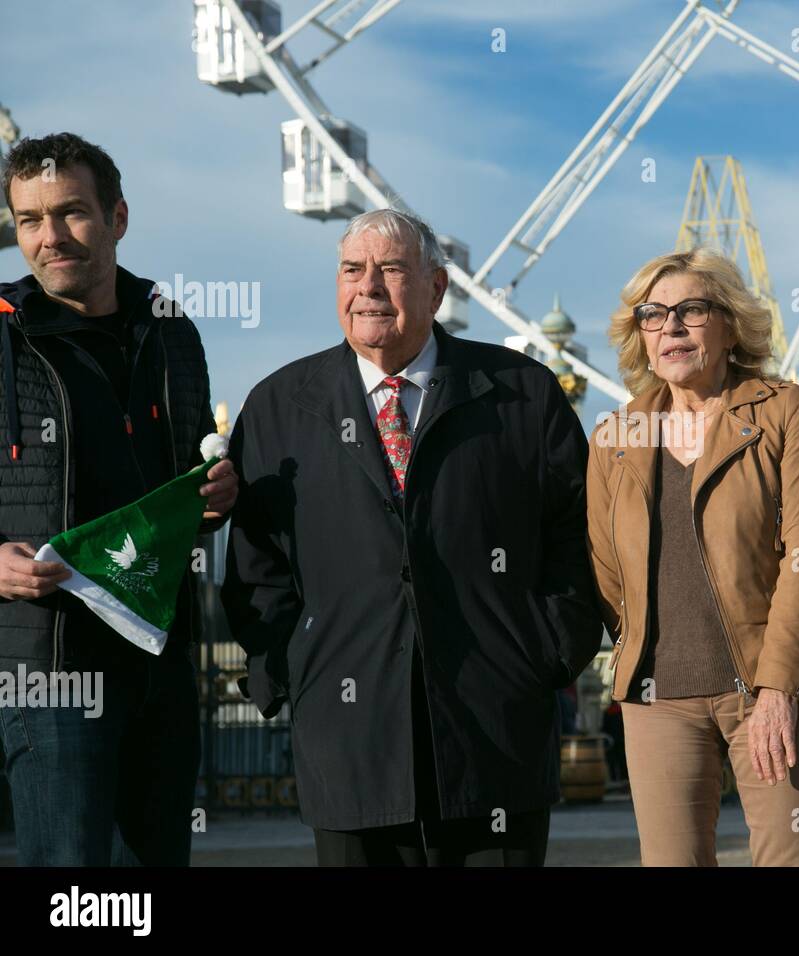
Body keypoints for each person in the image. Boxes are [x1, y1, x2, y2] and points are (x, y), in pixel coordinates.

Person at [222, 207, 603, 866]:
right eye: (352, 269)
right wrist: (289, 677)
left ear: (437, 289)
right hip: (348, 742)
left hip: (495, 738)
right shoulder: (279, 407)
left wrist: (548, 653)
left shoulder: (522, 396)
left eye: (391, 269)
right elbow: (257, 565)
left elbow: (581, 536)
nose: (368, 286)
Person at [0, 132, 236, 865]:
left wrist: (219, 496)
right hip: (48, 666)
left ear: (118, 217)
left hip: (159, 659)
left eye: (70, 213)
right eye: (29, 220)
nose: (48, 237)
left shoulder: (173, 333)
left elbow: (195, 474)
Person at [586, 249, 799, 866]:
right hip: (658, 697)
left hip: (768, 687)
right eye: (653, 315)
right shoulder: (614, 438)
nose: (670, 327)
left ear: (730, 324)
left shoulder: (786, 411)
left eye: (691, 310)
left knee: (789, 859)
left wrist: (779, 685)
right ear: (639, 334)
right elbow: (604, 569)